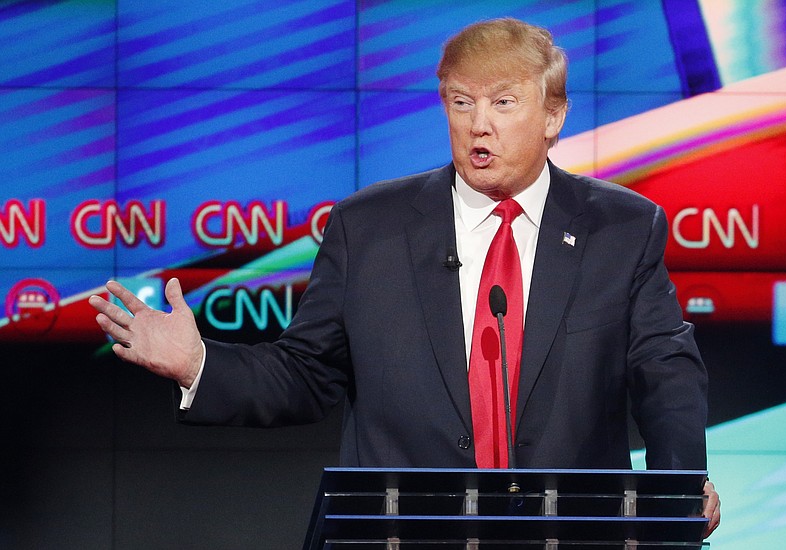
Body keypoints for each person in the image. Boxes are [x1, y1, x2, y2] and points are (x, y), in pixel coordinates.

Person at [90, 18, 719, 536]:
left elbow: (665, 372)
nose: (479, 124)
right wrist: (199, 364)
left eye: (503, 103)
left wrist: (679, 492)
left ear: (554, 116)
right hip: (400, 533)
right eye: (462, 101)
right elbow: (307, 373)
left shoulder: (621, 227)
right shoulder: (370, 228)